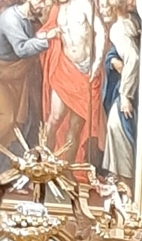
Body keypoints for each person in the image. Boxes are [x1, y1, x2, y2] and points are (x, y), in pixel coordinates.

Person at [42, 0, 105, 162]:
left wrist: (96, 64)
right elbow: (43, 33)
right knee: (54, 118)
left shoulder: (84, 4)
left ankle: (68, 167)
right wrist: (47, 35)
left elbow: (100, 32)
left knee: (76, 125)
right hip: (64, 69)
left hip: (85, 72)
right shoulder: (56, 9)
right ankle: (43, 164)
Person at [0, 0, 57, 157]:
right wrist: (46, 40)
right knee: (7, 118)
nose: (43, 5)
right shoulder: (10, 18)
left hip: (16, 76)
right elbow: (22, 49)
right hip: (4, 75)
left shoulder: (26, 18)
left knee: (20, 122)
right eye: (40, 1)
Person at [100, 0, 139, 184]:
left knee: (117, 124)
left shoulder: (118, 28)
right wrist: (112, 59)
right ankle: (120, 177)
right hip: (129, 86)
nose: (102, 11)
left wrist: (125, 95)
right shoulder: (131, 21)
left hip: (127, 90)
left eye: (105, 5)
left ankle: (125, 181)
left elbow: (133, 57)